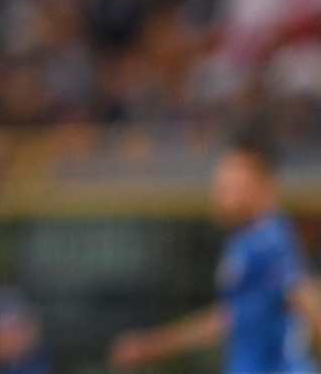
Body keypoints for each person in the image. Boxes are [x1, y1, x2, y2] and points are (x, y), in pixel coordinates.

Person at [110, 130, 321, 373]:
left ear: (263, 186)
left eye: (231, 186)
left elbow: (306, 298)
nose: (220, 195)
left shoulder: (270, 241)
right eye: (220, 186)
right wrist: (153, 346)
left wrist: (152, 346)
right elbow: (231, 318)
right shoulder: (247, 240)